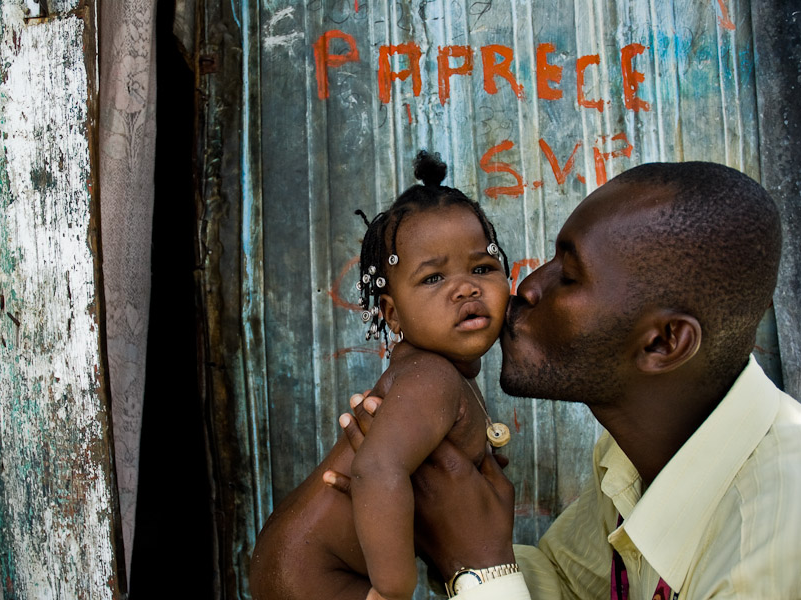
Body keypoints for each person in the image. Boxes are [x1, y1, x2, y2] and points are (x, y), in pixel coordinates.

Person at [327, 161, 801, 599]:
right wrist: (445, 525)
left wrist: (477, 566)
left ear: (663, 343)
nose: (528, 286)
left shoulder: (766, 545)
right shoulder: (628, 455)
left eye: (569, 276)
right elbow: (568, 585)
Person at [249, 151, 513, 600]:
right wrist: (393, 591)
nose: (466, 287)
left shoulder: (435, 373)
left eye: (482, 269)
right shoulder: (431, 376)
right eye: (433, 279)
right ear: (392, 314)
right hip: (316, 576)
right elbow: (375, 468)